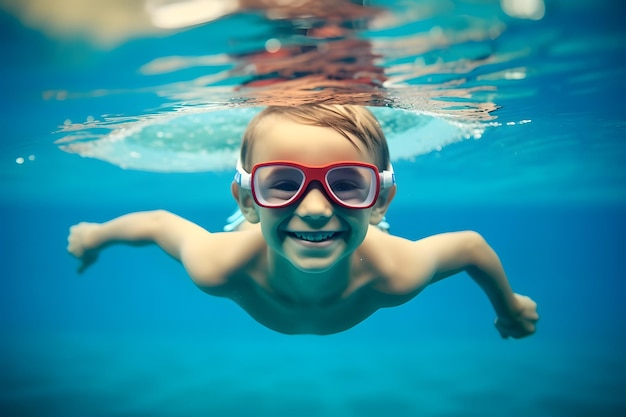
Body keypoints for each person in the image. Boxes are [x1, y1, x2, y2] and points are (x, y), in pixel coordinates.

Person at [67, 104, 538, 336]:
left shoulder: (397, 271)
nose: (314, 209)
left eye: (349, 182)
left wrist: (508, 305)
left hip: (358, 232)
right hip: (278, 231)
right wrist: (94, 237)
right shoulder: (220, 264)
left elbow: (472, 247)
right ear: (246, 201)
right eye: (284, 182)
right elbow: (156, 224)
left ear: (382, 202)